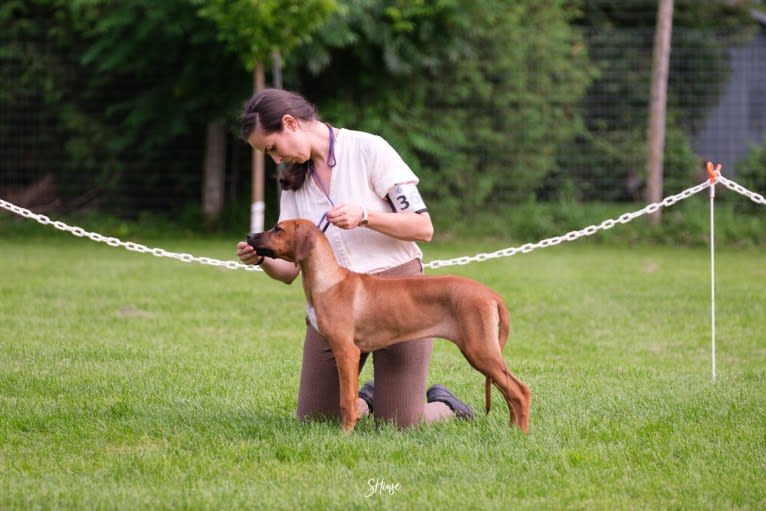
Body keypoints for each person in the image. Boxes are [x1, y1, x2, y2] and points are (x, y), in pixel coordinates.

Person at [236, 88, 473, 429]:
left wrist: (365, 215)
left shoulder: (369, 148)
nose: (276, 159)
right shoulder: (294, 181)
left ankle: (446, 405)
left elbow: (423, 227)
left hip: (398, 294)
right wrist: (261, 259)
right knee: (316, 419)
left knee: (400, 424)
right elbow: (289, 271)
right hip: (335, 304)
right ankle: (368, 398)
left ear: (290, 124)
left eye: (273, 148)